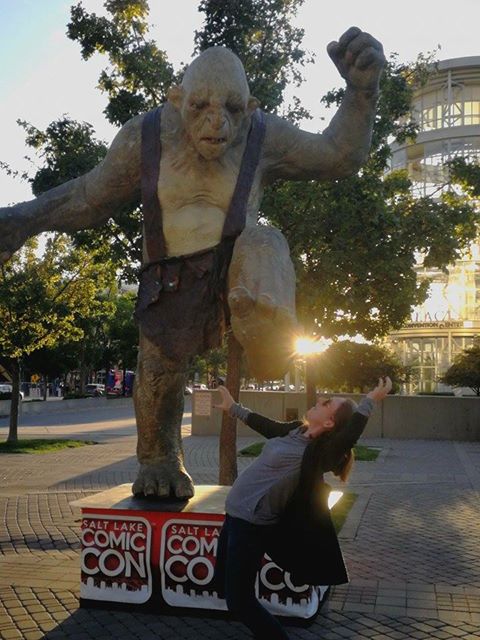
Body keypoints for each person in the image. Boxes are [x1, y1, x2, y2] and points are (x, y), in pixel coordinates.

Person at [0, 29, 385, 498]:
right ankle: (160, 457)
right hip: (170, 276)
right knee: (159, 367)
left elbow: (339, 156)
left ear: (251, 106)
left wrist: (361, 92)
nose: (217, 122)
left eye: (232, 109)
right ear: (176, 99)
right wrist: (22, 219)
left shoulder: (259, 135)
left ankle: (268, 334)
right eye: (200, 107)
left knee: (265, 241)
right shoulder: (145, 136)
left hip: (237, 271)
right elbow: (89, 197)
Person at [213, 377, 392, 640]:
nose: (319, 400)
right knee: (227, 588)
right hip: (235, 516)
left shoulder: (316, 454)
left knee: (239, 601)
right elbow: (264, 424)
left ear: (330, 423)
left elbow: (346, 439)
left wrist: (369, 402)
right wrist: (233, 407)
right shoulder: (295, 431)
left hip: (251, 525)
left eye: (327, 403)